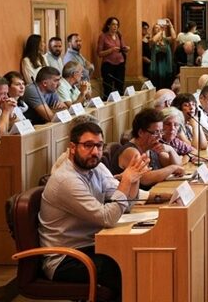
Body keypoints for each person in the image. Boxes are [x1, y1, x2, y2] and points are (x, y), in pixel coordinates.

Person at [39, 121, 151, 298]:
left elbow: (126, 205)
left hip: (91, 245)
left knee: (135, 255)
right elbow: (107, 218)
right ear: (72, 148)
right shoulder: (66, 180)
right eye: (88, 145)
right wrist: (126, 181)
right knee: (122, 266)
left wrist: (134, 178)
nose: (95, 152)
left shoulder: (96, 168)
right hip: (65, 258)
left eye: (99, 146)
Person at [111, 108, 184, 188]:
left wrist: (170, 150)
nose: (160, 136)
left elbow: (178, 166)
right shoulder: (130, 151)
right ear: (141, 132)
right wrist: (172, 168)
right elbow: (145, 178)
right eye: (156, 132)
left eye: (161, 131)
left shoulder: (151, 147)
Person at [97, 17, 129, 99]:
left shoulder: (119, 35)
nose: (115, 26)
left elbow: (122, 47)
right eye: (113, 24)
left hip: (120, 64)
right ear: (108, 25)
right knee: (108, 88)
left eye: (117, 25)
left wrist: (126, 48)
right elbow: (99, 53)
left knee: (120, 87)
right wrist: (111, 50)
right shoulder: (103, 36)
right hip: (108, 65)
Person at [149, 21, 175, 90]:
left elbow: (174, 37)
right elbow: (154, 40)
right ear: (153, 30)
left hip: (166, 65)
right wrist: (161, 31)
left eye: (159, 27)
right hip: (156, 66)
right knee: (157, 85)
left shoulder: (165, 40)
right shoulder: (151, 40)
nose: (158, 29)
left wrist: (171, 26)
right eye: (156, 28)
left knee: (167, 85)